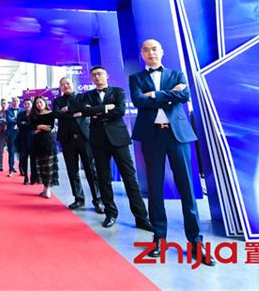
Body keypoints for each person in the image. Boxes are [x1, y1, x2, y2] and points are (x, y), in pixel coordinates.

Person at [129, 39, 214, 265]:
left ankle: (196, 242)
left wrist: (154, 95)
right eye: (146, 50)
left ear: (162, 51)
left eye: (154, 49)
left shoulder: (177, 74)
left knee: (187, 189)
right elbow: (138, 101)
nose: (151, 53)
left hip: (177, 135)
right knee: (155, 189)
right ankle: (159, 239)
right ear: (142, 54)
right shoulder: (136, 78)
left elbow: (184, 96)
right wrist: (167, 95)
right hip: (152, 136)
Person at [80, 65, 153, 231]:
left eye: (100, 74)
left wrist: (96, 112)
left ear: (106, 75)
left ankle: (142, 218)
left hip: (119, 139)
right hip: (98, 140)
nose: (97, 77)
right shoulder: (87, 95)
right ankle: (110, 213)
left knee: (129, 178)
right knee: (103, 178)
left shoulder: (118, 92)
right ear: (91, 78)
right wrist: (106, 108)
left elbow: (120, 111)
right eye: (94, 75)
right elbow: (84, 112)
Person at [53, 77, 104, 214]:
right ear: (60, 87)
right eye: (62, 85)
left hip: (84, 138)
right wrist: (74, 114)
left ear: (73, 84)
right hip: (67, 140)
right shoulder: (57, 101)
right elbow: (57, 114)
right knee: (72, 170)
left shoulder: (83, 97)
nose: (65, 86)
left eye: (67, 83)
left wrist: (68, 109)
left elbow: (84, 109)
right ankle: (79, 198)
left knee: (91, 170)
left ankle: (98, 200)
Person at [30, 96, 57, 198]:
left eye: (40, 102)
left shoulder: (51, 114)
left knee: (49, 166)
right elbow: (31, 126)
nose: (39, 104)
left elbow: (50, 127)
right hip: (37, 142)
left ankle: (48, 188)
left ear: (45, 103)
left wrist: (38, 127)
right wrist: (39, 126)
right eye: (37, 103)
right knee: (41, 166)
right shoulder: (34, 115)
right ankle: (45, 187)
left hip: (48, 141)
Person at [16, 99, 37, 185]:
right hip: (22, 138)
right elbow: (18, 124)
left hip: (33, 139)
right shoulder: (21, 114)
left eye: (28, 104)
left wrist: (25, 123)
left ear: (31, 105)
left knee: (33, 159)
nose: (27, 105)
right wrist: (27, 124)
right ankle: (25, 177)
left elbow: (34, 125)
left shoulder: (35, 114)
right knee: (24, 158)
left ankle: (33, 177)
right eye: (25, 104)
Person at [5, 97, 22, 177]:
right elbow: (9, 120)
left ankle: (22, 170)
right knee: (11, 152)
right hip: (11, 134)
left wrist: (15, 119)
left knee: (21, 152)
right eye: (14, 101)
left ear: (19, 102)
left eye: (17, 101)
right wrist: (19, 121)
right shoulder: (8, 111)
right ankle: (11, 169)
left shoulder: (22, 111)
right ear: (11, 103)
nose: (15, 102)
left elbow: (24, 120)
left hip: (21, 133)